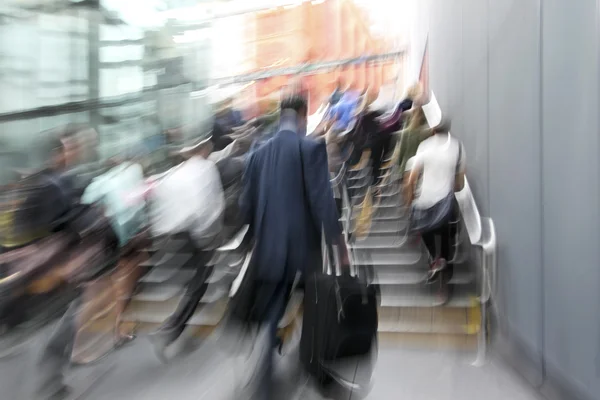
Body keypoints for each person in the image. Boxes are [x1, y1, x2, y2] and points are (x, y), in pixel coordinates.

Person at [234, 92, 349, 400]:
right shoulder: (310, 148)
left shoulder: (258, 153)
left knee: (272, 313)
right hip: (302, 253)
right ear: (303, 114)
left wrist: (253, 237)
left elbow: (245, 206)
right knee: (314, 309)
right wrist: (339, 244)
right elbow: (323, 201)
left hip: (268, 251)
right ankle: (315, 372)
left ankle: (264, 383)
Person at [404, 118, 465, 304]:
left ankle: (434, 260)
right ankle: (444, 283)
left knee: (426, 233)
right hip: (445, 204)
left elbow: (412, 178)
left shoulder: (424, 146)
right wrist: (448, 185)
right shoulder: (457, 147)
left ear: (432, 131)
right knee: (447, 241)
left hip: (424, 201)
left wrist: (410, 200)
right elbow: (460, 183)